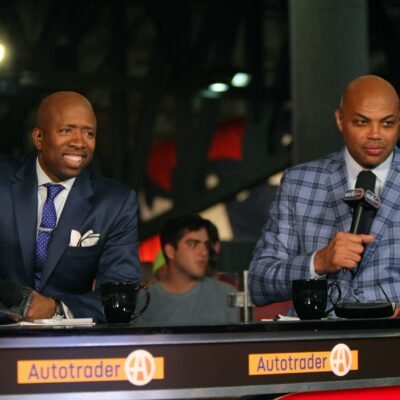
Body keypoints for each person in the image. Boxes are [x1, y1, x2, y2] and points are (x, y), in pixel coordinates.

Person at [249, 75, 400, 311]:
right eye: (362, 123)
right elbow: (259, 283)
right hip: (320, 333)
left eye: (387, 123)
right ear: (340, 120)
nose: (375, 134)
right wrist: (319, 261)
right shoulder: (299, 183)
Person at [0, 91, 140, 322]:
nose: (79, 142)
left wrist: (55, 309)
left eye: (89, 133)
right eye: (66, 130)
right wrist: (13, 305)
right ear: (39, 138)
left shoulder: (115, 203)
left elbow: (121, 297)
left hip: (68, 339)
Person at [135, 213, 240, 325]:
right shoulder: (145, 300)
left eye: (206, 245)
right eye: (193, 244)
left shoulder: (226, 294)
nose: (204, 252)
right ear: (171, 251)